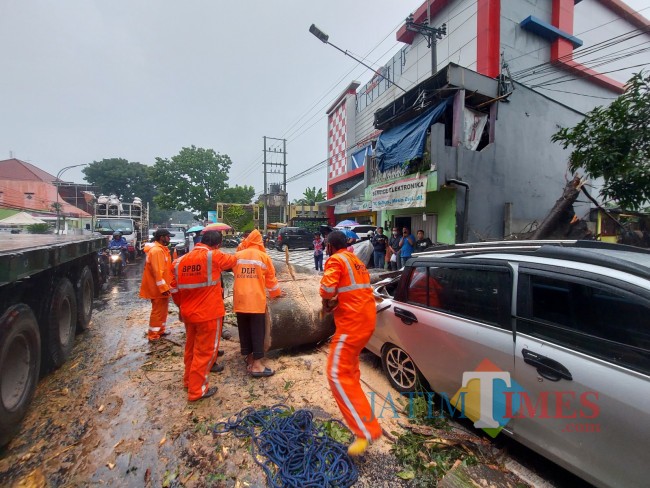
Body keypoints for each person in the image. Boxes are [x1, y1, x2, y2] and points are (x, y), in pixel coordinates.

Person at [319, 230, 382, 456]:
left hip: (352, 324)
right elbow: (351, 291)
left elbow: (326, 289)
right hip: (366, 321)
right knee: (350, 373)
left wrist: (326, 300)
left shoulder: (336, 259)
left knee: (336, 373)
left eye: (326, 245)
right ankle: (366, 422)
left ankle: (365, 430)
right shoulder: (356, 261)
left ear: (329, 246)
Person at [170, 230, 237, 402]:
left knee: (191, 349)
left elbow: (174, 290)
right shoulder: (214, 256)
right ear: (218, 244)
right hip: (209, 314)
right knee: (205, 353)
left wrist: (181, 306)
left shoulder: (178, 262)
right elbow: (234, 260)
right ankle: (197, 390)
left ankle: (188, 381)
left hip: (188, 313)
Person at [233, 229, 282, 377]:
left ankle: (249, 359)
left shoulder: (237, 255)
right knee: (257, 331)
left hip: (240, 299)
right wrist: (276, 293)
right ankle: (257, 365)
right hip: (255, 299)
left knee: (244, 330)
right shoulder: (263, 257)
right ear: (260, 241)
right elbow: (271, 281)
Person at [139, 229, 173, 341]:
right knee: (158, 311)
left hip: (162, 287)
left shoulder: (162, 250)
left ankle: (160, 330)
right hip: (158, 288)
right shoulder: (157, 251)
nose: (169, 239)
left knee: (162, 310)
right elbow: (158, 271)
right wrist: (163, 287)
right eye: (168, 237)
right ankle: (153, 335)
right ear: (161, 237)